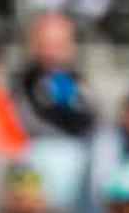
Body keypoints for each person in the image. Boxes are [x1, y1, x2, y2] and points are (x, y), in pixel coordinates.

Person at [13, 11, 96, 139]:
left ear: (71, 47)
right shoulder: (18, 88)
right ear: (32, 47)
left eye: (59, 46)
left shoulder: (82, 87)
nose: (52, 55)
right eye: (45, 46)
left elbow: (91, 123)